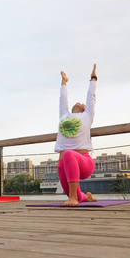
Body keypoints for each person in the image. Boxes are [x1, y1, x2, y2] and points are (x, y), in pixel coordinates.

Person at [55, 64, 98, 206]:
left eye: (82, 103)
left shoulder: (87, 115)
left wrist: (93, 78)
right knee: (77, 196)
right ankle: (84, 197)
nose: (79, 102)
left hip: (84, 163)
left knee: (68, 153)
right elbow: (62, 99)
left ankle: (73, 197)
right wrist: (64, 82)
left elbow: (91, 97)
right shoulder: (64, 115)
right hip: (64, 164)